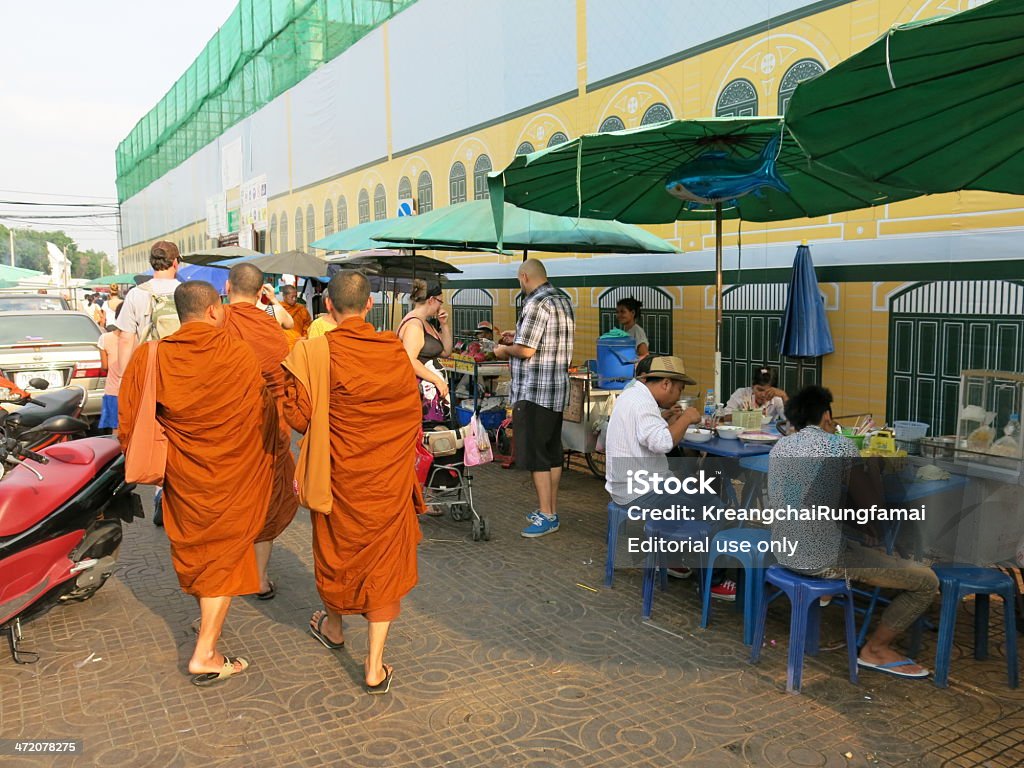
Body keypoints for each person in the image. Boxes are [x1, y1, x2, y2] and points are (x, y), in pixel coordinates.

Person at [118, 281, 277, 686]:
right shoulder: (238, 352)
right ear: (213, 311)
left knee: (205, 551)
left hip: (185, 475)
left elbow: (128, 420)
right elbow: (264, 415)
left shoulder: (151, 355)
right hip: (233, 473)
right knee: (224, 554)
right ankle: (205, 652)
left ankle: (206, 620)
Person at [282, 270, 424, 695]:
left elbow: (298, 417)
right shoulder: (395, 352)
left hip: (340, 475)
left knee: (336, 551)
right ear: (369, 306)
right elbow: (410, 413)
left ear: (328, 306)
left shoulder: (315, 351)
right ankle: (375, 665)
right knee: (383, 565)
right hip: (387, 478)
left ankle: (336, 627)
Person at [768, 385, 939, 679]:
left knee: (858, 543)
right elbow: (871, 507)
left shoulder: (780, 446)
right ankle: (875, 649)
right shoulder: (839, 446)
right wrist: (875, 465)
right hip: (824, 560)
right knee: (926, 581)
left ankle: (835, 599)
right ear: (826, 415)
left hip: (783, 549)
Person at [222, 263, 300, 600]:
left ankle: (227, 571)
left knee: (230, 499)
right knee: (269, 498)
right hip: (268, 427)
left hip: (228, 429)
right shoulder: (270, 327)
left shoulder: (217, 322)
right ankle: (261, 577)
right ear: (260, 293)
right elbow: (285, 376)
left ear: (227, 287)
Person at [492, 258, 575, 538]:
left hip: (534, 390)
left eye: (519, 280)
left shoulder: (536, 302)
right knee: (552, 453)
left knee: (537, 456)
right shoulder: (562, 299)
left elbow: (526, 351)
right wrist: (516, 336)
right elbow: (541, 339)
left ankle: (547, 515)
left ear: (525, 276)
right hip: (556, 389)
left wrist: (502, 351)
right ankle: (550, 509)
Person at [115, 241, 182, 371]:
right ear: (175, 263)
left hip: (149, 366)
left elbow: (125, 339)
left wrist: (123, 376)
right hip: (178, 366)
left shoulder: (136, 293)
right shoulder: (186, 291)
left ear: (152, 263)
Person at [397, 279, 453, 420]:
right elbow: (410, 360)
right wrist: (437, 380)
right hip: (421, 395)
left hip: (431, 391)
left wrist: (444, 325)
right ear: (431, 300)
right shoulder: (414, 325)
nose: (441, 306)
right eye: (440, 302)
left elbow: (446, 351)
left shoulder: (425, 323)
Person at [96, 304, 124, 436]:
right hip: (134, 391)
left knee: (116, 430)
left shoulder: (104, 339)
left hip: (113, 391)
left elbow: (105, 367)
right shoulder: (139, 339)